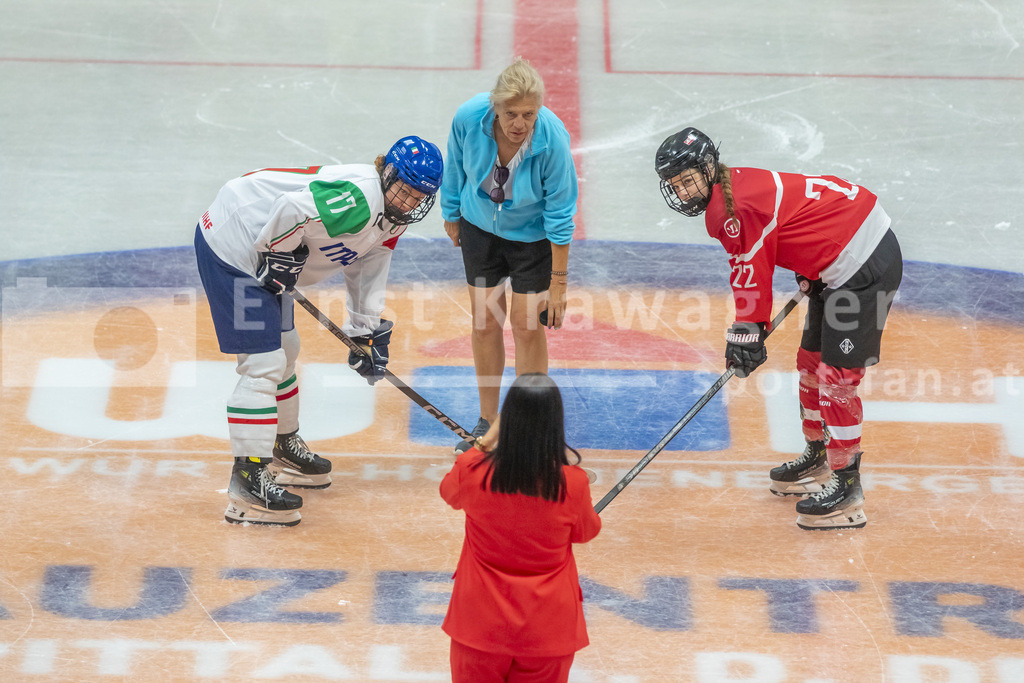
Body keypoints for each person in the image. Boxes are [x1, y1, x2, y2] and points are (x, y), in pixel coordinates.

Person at [654, 127, 902, 530]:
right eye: (674, 186)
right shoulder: (731, 190)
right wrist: (811, 265)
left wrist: (747, 329)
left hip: (862, 266)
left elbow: (750, 270)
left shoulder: (733, 209)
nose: (682, 193)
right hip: (835, 265)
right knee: (810, 363)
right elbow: (783, 232)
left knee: (837, 380)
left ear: (707, 168)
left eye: (687, 181)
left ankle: (847, 487)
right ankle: (819, 457)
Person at [194, 136, 443, 526]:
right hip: (235, 242)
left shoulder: (393, 218)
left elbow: (369, 264)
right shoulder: (361, 200)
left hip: (261, 245)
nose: (410, 201)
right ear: (388, 174)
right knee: (263, 362)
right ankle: (247, 479)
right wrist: (279, 251)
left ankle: (282, 446)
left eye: (419, 196)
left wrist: (364, 330)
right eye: (405, 189)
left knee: (285, 349)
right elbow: (292, 208)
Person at [440, 57, 579, 454]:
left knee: (528, 327)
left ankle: (529, 428)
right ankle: (487, 421)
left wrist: (559, 282)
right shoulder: (470, 117)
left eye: (529, 114)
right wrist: (451, 212)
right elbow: (455, 165)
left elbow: (561, 209)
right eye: (511, 114)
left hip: (533, 240)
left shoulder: (551, 139)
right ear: (494, 107)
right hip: (480, 230)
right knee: (485, 323)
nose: (520, 124)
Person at [440, 373, 600, 682]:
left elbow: (448, 493)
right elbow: (585, 532)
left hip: (478, 626)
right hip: (548, 630)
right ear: (555, 423)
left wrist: (485, 441)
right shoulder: (573, 484)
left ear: (506, 420)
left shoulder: (472, 471)